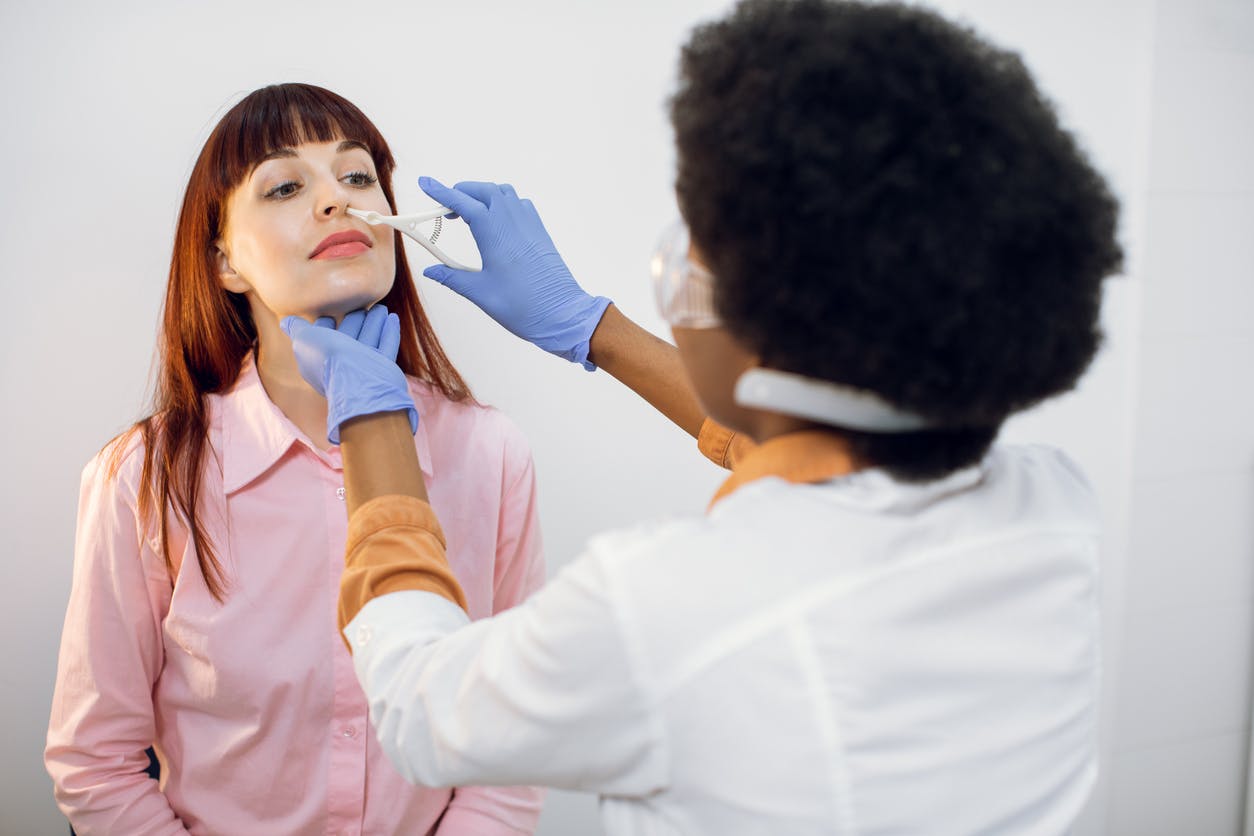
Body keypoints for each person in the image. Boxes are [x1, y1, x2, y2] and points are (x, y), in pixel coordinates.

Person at [284, 0, 1124, 832]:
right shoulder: (1055, 507)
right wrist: (592, 328)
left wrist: (372, 422)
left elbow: (423, 711)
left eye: (707, 251)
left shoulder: (668, 606)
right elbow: (821, 449)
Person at [46, 83, 545, 835]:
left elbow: (509, 745)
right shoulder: (143, 477)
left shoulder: (490, 452)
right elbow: (96, 766)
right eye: (286, 186)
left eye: (356, 177)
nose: (336, 202)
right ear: (224, 263)